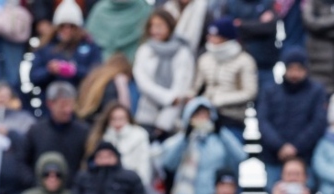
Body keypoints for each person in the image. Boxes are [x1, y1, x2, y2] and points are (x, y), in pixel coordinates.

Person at [158, 99, 247, 194]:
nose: (202, 118)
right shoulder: (182, 139)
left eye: (206, 114)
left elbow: (241, 157)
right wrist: (185, 137)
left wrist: (221, 131)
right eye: (197, 114)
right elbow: (168, 163)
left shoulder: (220, 139)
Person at [257, 48, 329, 189]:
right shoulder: (270, 90)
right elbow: (263, 121)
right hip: (274, 157)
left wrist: (296, 147)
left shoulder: (316, 91)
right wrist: (280, 146)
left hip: (305, 157)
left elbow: (318, 122)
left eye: (299, 69)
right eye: (291, 68)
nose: (295, 73)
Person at [133, 9, 196, 138]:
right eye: (152, 26)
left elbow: (181, 87)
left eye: (160, 26)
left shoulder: (183, 52)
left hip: (173, 119)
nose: (155, 30)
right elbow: (143, 82)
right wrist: (168, 98)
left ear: (170, 26)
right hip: (146, 114)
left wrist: (165, 121)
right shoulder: (144, 50)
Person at [191, 18, 258, 140]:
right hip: (206, 115)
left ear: (226, 37)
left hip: (232, 117)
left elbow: (250, 92)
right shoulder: (204, 59)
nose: (211, 39)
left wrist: (220, 100)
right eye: (210, 35)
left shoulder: (245, 60)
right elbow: (196, 87)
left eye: (216, 35)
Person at [22, 82, 90, 180]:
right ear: (50, 104)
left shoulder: (83, 132)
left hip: (74, 187)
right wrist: (35, 182)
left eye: (71, 105)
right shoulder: (36, 131)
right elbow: (24, 162)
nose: (68, 110)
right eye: (63, 105)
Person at [30, 2, 102, 95]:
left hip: (80, 95)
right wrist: (49, 70)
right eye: (62, 26)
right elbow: (34, 77)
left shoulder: (89, 46)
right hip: (51, 98)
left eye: (71, 26)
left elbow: (98, 74)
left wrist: (75, 71)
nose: (67, 30)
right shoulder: (45, 47)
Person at [87, 103, 152, 190]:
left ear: (128, 118)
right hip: (108, 186)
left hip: (133, 184)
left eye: (121, 118)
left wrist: (141, 185)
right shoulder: (104, 138)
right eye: (114, 119)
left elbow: (144, 164)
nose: (117, 123)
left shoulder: (139, 136)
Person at [84, 0, 149, 63]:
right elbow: (89, 38)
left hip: (135, 63)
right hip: (100, 64)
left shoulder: (143, 9)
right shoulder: (100, 10)